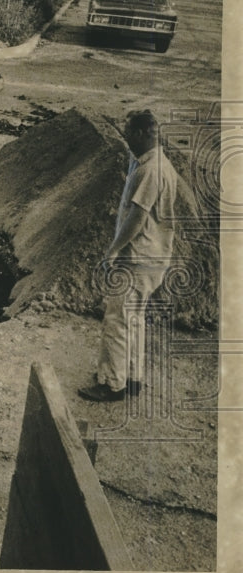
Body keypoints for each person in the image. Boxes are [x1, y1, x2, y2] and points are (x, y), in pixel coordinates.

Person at [79, 110, 179, 402]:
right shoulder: (156, 164)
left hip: (137, 258)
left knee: (117, 320)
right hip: (152, 257)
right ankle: (133, 377)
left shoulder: (151, 170)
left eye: (128, 134)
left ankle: (112, 383)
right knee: (134, 319)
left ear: (141, 133)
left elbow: (137, 217)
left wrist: (113, 250)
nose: (126, 140)